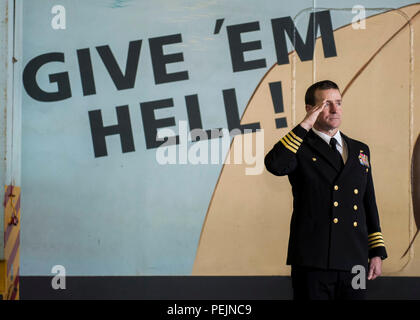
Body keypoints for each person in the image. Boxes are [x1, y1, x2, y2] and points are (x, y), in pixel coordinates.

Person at [264, 80, 387, 300]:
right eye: (326, 104)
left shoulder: (360, 149)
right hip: (314, 259)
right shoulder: (299, 146)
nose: (334, 109)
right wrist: (305, 124)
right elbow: (275, 165)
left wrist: (376, 252)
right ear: (310, 109)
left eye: (338, 103)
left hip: (354, 260)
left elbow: (368, 202)